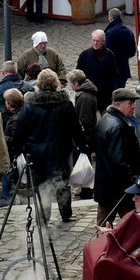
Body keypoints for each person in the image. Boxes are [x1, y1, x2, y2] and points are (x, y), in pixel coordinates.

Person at [14, 70, 85, 223]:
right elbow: (75, 128)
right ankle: (65, 214)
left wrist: (18, 150)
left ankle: (43, 217)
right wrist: (83, 146)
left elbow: (20, 130)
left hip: (36, 153)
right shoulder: (65, 104)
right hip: (60, 150)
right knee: (62, 183)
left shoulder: (29, 105)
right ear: (55, 84)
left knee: (40, 184)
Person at [93, 88, 140, 226]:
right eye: (130, 103)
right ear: (118, 104)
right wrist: (132, 182)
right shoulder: (118, 127)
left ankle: (101, 247)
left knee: (103, 223)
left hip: (106, 186)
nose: (133, 106)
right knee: (133, 224)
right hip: (119, 189)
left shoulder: (106, 119)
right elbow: (120, 161)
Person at [76, 29, 117, 114]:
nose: (95, 43)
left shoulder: (110, 55)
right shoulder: (84, 55)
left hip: (105, 95)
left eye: (98, 41)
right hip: (90, 95)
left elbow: (114, 75)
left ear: (103, 41)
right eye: (93, 40)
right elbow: (78, 74)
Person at [66, 70, 99, 153]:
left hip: (86, 136)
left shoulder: (85, 98)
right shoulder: (84, 94)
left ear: (76, 83)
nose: (69, 86)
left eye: (70, 83)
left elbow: (85, 119)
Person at [104, 7, 137, 89]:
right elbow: (132, 51)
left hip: (112, 70)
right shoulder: (128, 31)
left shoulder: (109, 33)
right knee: (121, 92)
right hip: (124, 68)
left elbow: (107, 52)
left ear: (111, 18)